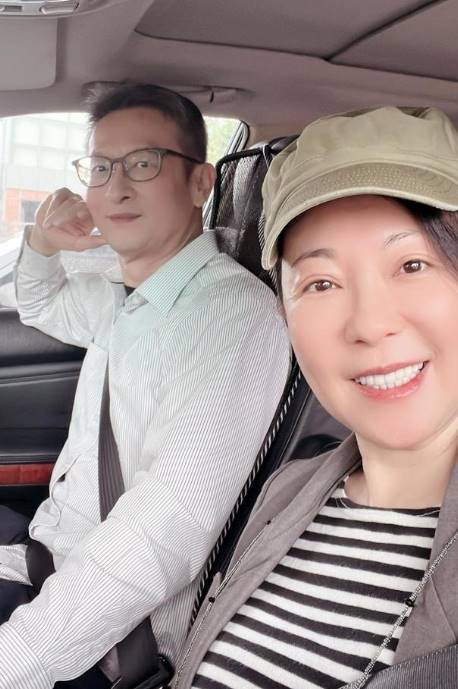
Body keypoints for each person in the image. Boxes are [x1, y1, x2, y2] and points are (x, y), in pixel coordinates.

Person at [0, 83, 291, 688]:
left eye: (143, 164)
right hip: (48, 560)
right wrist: (42, 242)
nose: (115, 188)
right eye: (101, 168)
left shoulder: (230, 316)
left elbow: (163, 533)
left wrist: (16, 658)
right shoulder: (125, 293)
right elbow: (40, 302)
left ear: (201, 183)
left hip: (100, 638)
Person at [173, 106, 458, 689]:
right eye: (321, 283)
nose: (370, 323)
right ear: (284, 313)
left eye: (412, 264)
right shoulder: (288, 489)